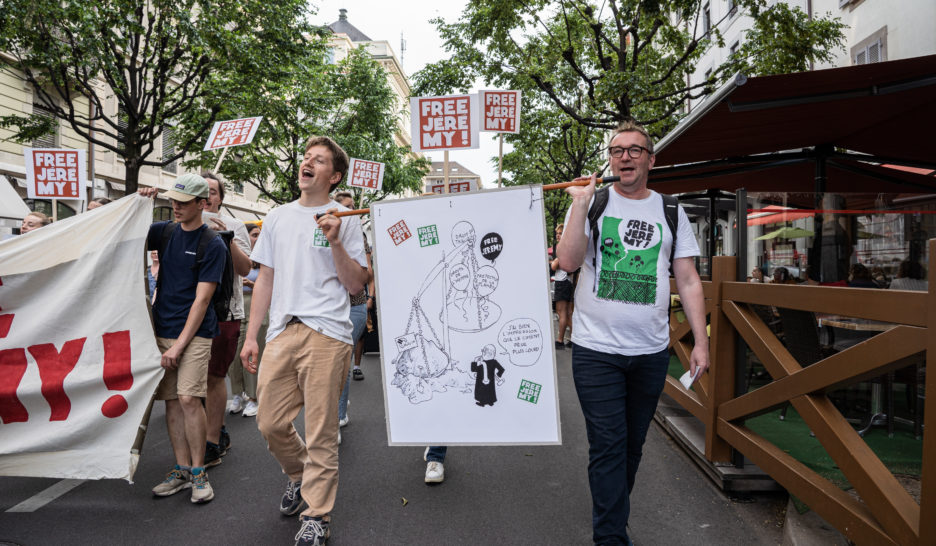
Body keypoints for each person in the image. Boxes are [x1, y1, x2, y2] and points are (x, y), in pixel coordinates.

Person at [557, 120, 709, 545]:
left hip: (651, 351)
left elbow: (689, 280)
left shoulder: (672, 211)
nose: (624, 156)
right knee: (608, 445)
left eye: (634, 150)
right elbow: (568, 262)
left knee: (631, 447)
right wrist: (579, 205)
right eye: (616, 150)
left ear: (650, 159)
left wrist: (701, 341)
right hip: (595, 350)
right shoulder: (595, 203)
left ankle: (612, 515)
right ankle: (610, 537)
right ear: (610, 159)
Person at [240, 136, 368, 546]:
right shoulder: (276, 216)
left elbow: (356, 287)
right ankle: (299, 476)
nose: (307, 163)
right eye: (306, 157)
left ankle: (317, 515)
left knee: (321, 431)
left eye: (319, 160)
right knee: (270, 421)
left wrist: (334, 238)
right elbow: (266, 279)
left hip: (328, 332)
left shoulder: (346, 217)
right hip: (281, 330)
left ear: (335, 176)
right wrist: (252, 335)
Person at [139, 174, 227, 504]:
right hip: (163, 328)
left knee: (189, 398)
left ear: (202, 204)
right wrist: (142, 202)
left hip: (196, 333)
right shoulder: (164, 231)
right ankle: (181, 469)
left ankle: (199, 473)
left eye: (183, 202)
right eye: (173, 200)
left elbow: (202, 301)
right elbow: (127, 235)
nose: (175, 206)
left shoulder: (212, 244)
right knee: (172, 401)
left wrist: (179, 344)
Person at [200, 171, 252, 468]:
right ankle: (211, 429)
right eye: (202, 191)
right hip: (187, 314)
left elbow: (246, 268)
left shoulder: (234, 225)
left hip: (224, 312)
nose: (207, 197)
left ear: (221, 198)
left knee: (213, 376)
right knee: (191, 381)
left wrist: (228, 238)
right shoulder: (180, 225)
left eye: (213, 192)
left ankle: (211, 439)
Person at [332, 191, 373, 445]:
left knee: (342, 356)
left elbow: (368, 273)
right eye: (346, 207)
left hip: (355, 304)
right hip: (329, 308)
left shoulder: (361, 238)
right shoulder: (325, 235)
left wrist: (370, 298)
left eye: (353, 207)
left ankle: (338, 415)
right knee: (333, 361)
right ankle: (337, 402)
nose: (352, 211)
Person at [228, 222, 266, 417]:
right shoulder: (234, 254)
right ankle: (237, 394)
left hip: (256, 306)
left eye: (259, 234)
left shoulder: (265, 257)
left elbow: (272, 285)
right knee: (233, 354)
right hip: (236, 304)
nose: (257, 238)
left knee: (252, 352)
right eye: (253, 235)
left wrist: (252, 283)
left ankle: (253, 397)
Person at [551, 223, 575, 349]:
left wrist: (554, 262)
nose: (558, 236)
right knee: (568, 313)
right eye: (557, 234)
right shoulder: (569, 247)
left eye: (560, 233)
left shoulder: (564, 247)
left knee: (562, 313)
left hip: (562, 282)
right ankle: (573, 339)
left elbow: (554, 266)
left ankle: (560, 341)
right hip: (567, 282)